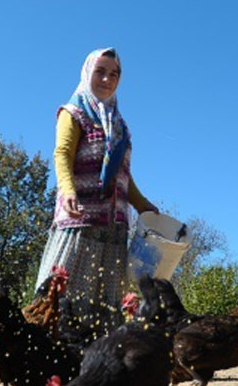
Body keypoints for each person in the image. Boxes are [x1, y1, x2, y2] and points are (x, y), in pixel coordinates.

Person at [34, 48, 158, 340]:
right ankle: (53, 354)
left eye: (114, 74)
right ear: (86, 73)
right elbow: (62, 154)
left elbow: (122, 176)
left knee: (105, 301)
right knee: (65, 292)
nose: (107, 79)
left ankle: (95, 361)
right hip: (80, 219)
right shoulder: (73, 112)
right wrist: (68, 191)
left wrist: (142, 206)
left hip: (113, 225)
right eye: (100, 71)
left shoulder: (119, 125)